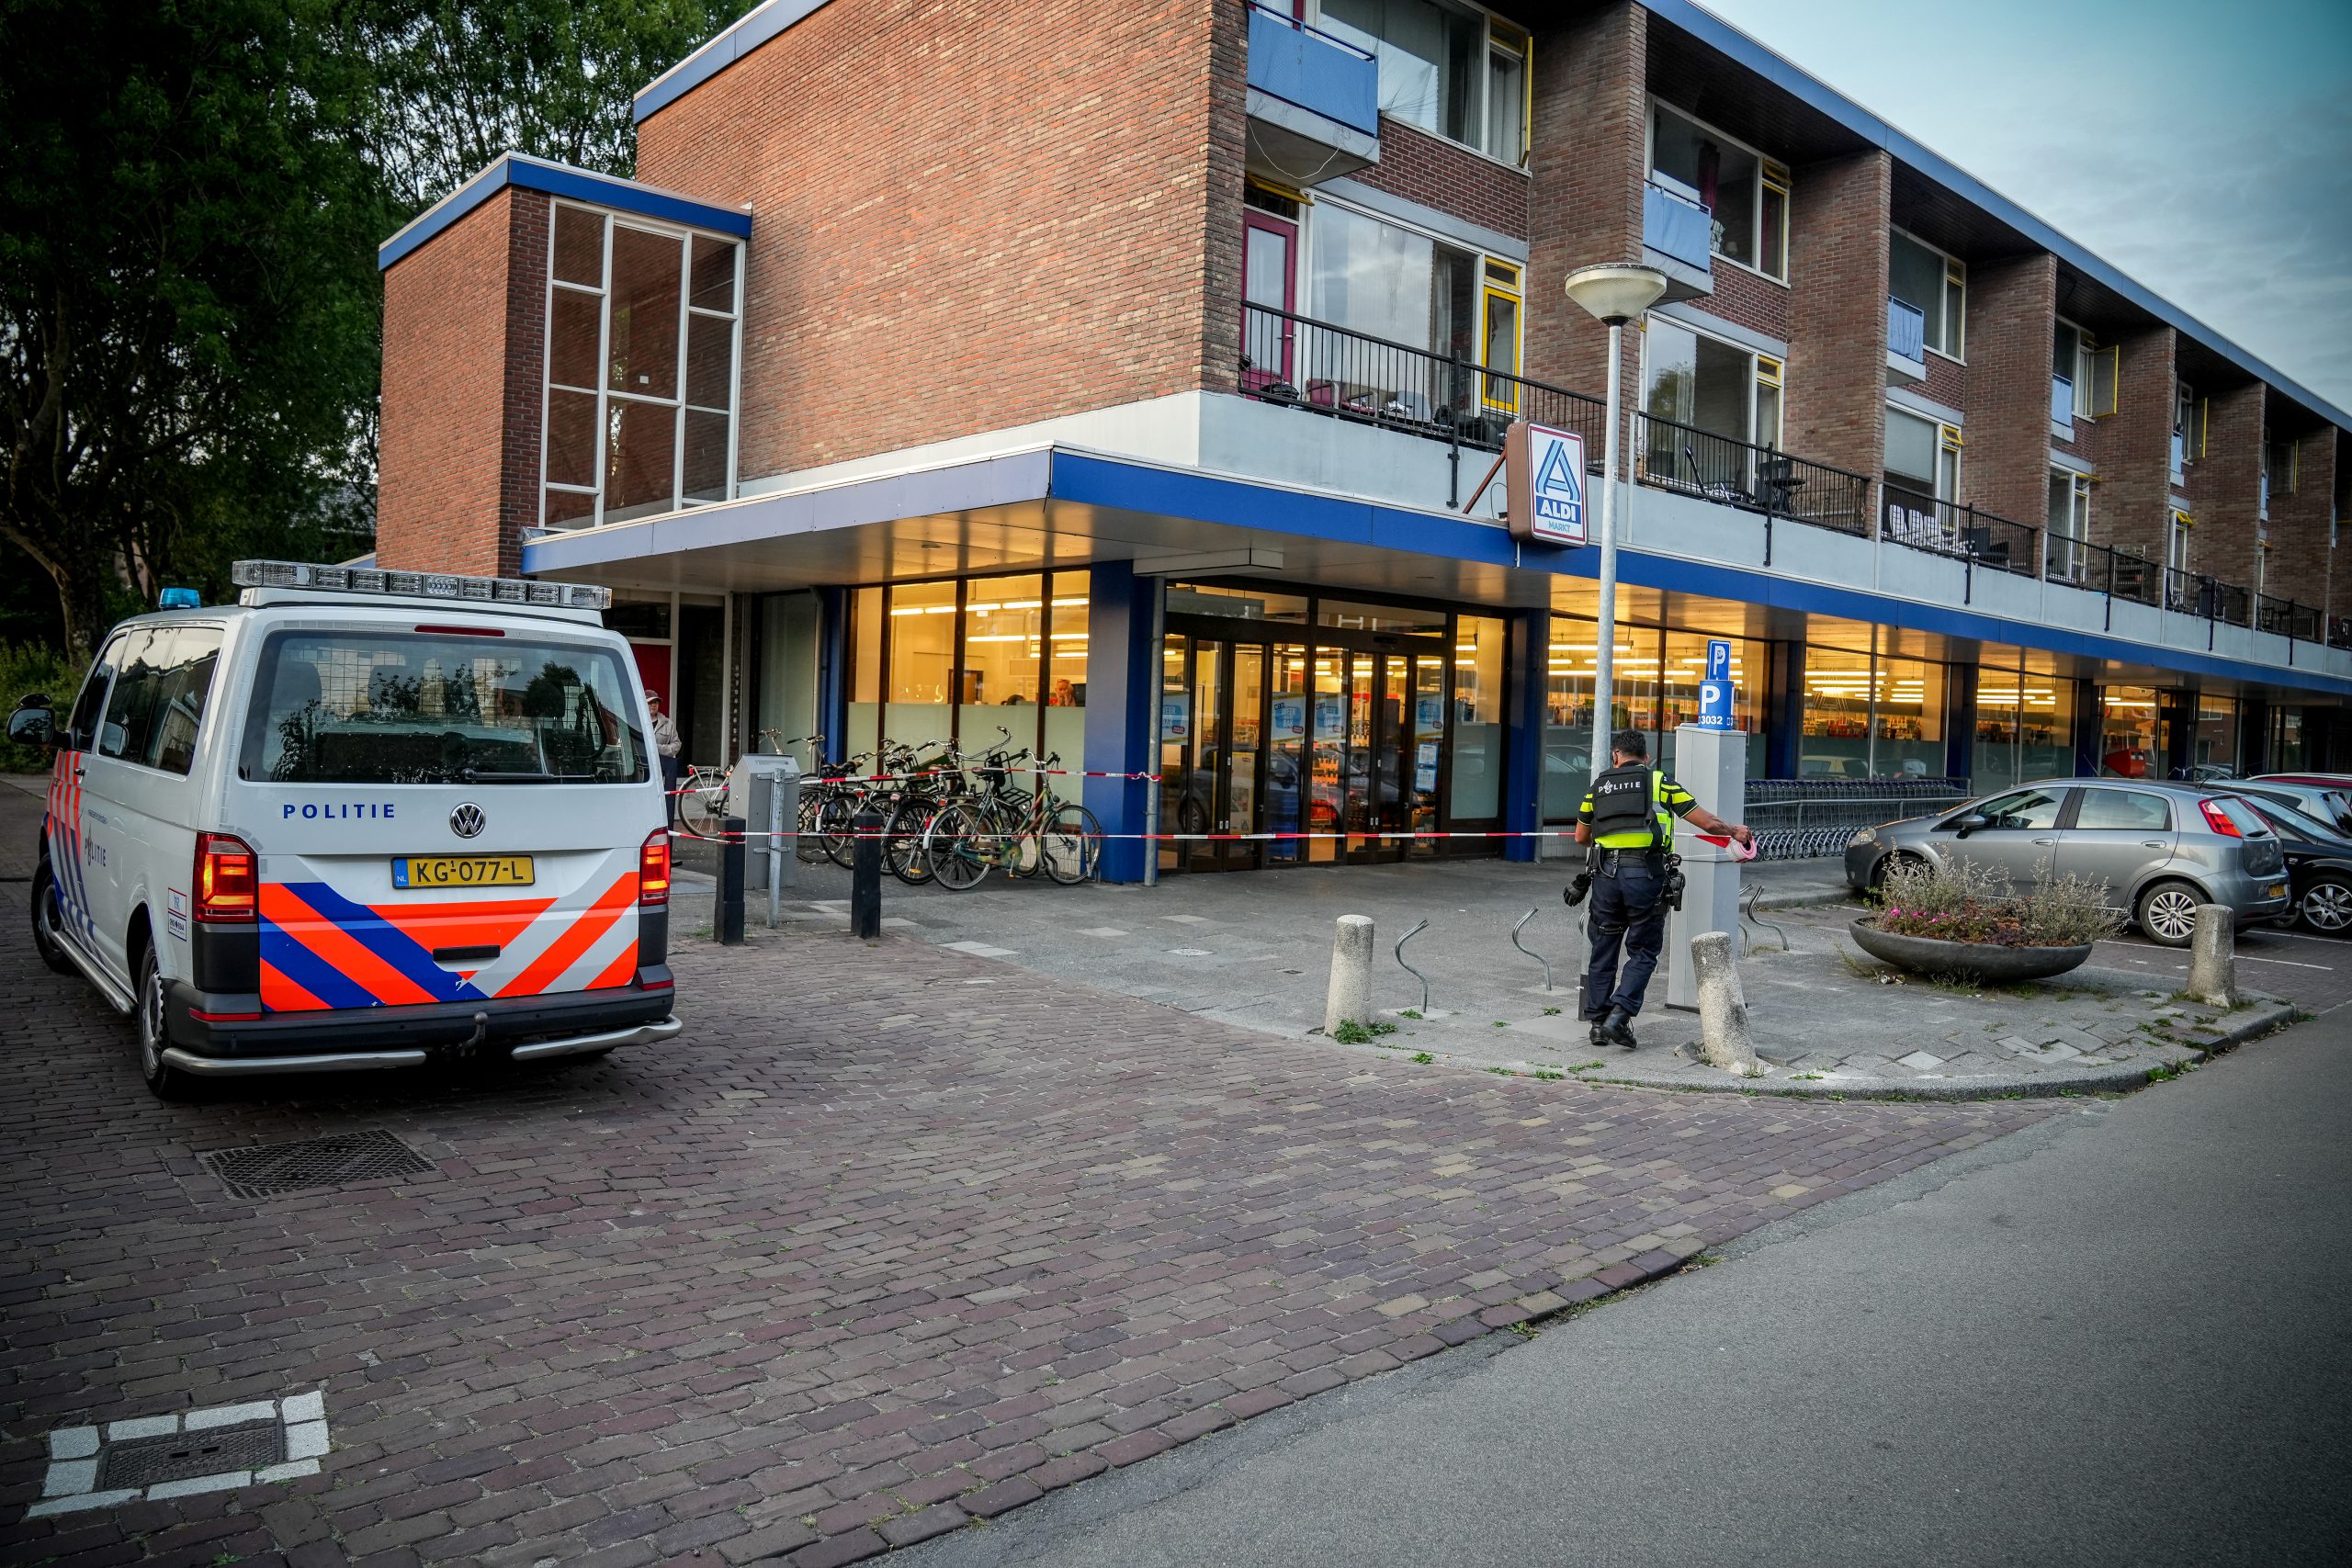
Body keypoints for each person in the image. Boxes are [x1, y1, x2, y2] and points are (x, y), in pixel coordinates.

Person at [1572, 728, 1754, 1051]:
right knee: (1643, 950)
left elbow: (1581, 837)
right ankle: (1620, 1014)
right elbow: (1707, 823)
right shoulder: (1660, 782)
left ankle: (1598, 1026)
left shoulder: (1597, 787)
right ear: (1646, 758)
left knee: (1603, 949)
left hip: (1604, 878)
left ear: (1615, 756)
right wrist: (1735, 832)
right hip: (1645, 875)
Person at [648, 690, 683, 822]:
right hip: (644, 768)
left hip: (664, 767)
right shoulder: (638, 721)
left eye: (656, 702)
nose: (653, 705)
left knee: (666, 800)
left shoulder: (668, 723)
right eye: (650, 702)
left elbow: (677, 745)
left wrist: (657, 749)